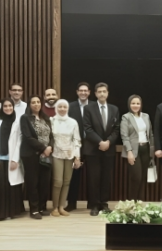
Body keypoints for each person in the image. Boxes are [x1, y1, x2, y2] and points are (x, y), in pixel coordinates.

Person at [82, 82, 120, 216]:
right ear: (95, 94)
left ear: (108, 93)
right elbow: (87, 128)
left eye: (104, 91)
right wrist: (100, 142)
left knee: (105, 178)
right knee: (94, 178)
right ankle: (95, 205)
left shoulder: (114, 109)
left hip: (108, 149)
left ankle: (104, 204)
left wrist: (108, 141)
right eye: (99, 92)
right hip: (93, 149)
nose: (102, 94)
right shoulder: (88, 108)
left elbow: (116, 129)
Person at [20, 95, 54, 219]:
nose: (36, 104)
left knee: (44, 182)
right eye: (33, 102)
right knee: (32, 182)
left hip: (46, 155)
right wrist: (43, 148)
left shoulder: (46, 118)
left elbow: (51, 135)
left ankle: (42, 207)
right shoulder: (25, 118)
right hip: (31, 155)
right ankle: (34, 209)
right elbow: (28, 137)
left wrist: (49, 147)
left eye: (38, 102)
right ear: (29, 105)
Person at [121, 94, 155, 201]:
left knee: (143, 178)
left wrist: (152, 152)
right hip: (133, 150)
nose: (135, 105)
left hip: (145, 149)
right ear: (129, 104)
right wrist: (129, 152)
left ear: (141, 105)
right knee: (136, 178)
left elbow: (151, 135)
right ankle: (132, 203)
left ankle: (139, 203)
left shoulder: (146, 116)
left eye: (138, 103)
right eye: (133, 103)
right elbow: (124, 136)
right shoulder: (126, 117)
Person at [50, 99, 81, 217]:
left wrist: (77, 157)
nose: (62, 109)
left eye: (64, 107)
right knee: (58, 181)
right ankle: (55, 207)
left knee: (67, 181)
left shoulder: (73, 122)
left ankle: (62, 206)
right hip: (56, 154)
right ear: (56, 108)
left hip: (70, 154)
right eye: (60, 107)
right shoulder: (51, 121)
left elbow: (76, 140)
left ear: (68, 108)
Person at [66, 82, 90, 212]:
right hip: (75, 145)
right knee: (73, 176)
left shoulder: (93, 106)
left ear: (89, 92)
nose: (83, 93)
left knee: (92, 176)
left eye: (86, 91)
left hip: (91, 145)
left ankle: (92, 203)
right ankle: (71, 203)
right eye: (81, 90)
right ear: (77, 92)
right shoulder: (70, 107)